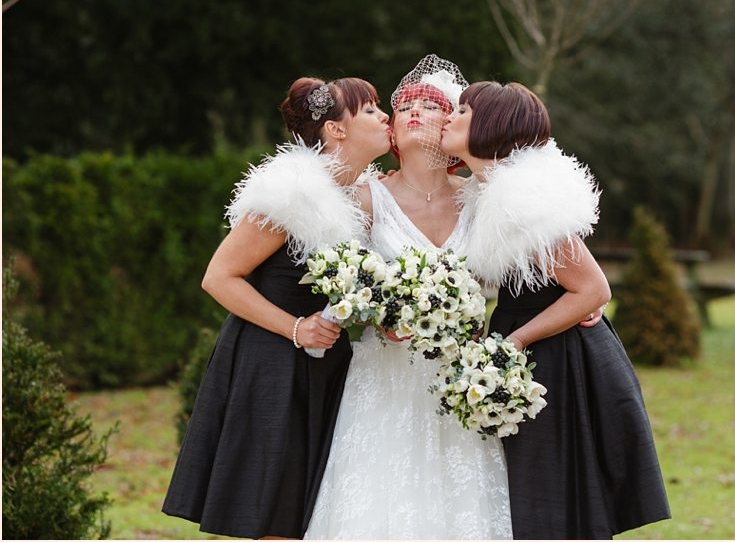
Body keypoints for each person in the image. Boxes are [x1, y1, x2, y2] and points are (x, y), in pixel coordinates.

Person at [161, 76, 391, 539]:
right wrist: (296, 328)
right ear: (336, 129)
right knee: (278, 515)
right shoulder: (291, 193)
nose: (384, 117)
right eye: (370, 110)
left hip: (329, 367)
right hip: (272, 363)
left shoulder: (363, 195)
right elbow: (219, 277)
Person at [440, 81, 671, 539]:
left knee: (556, 499)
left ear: (491, 126)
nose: (449, 116)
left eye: (462, 110)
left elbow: (591, 289)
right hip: (535, 345)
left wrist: (515, 341)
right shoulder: (487, 189)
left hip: (562, 357)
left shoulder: (523, 199)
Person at [304, 55, 512, 540]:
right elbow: (338, 282)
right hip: (384, 375)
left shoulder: (481, 198)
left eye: (432, 105)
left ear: (453, 125)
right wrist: (375, 320)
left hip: (462, 379)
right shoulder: (363, 196)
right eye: (404, 105)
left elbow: (535, 261)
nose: (415, 110)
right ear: (392, 130)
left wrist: (588, 303)